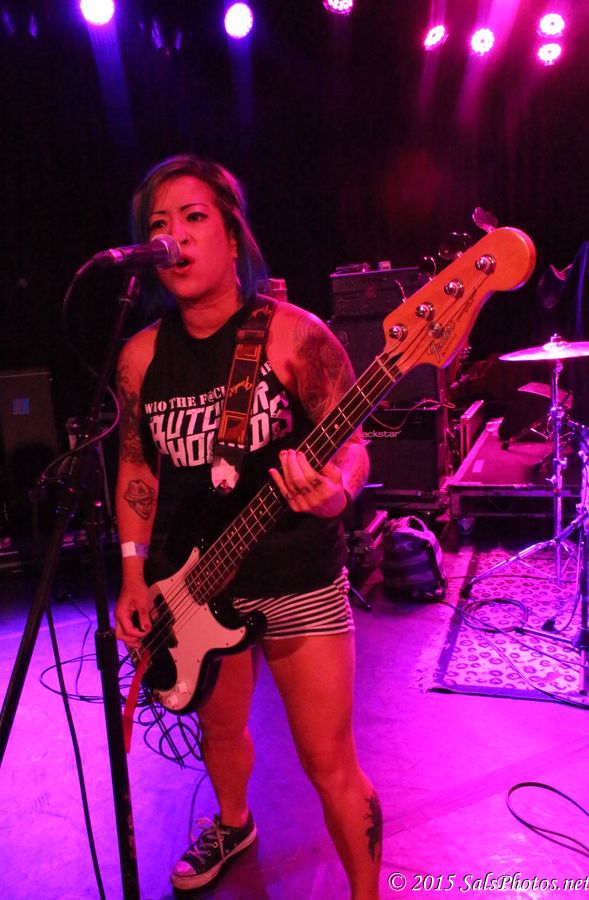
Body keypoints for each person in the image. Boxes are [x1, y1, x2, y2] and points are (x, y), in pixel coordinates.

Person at [113, 154, 381, 898]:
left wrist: (335, 493)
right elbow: (136, 471)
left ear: (233, 237)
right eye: (159, 224)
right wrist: (133, 572)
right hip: (195, 581)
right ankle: (234, 825)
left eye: (193, 217)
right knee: (220, 730)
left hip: (296, 575)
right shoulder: (140, 358)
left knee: (328, 761)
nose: (173, 236)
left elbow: (352, 445)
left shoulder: (294, 335)